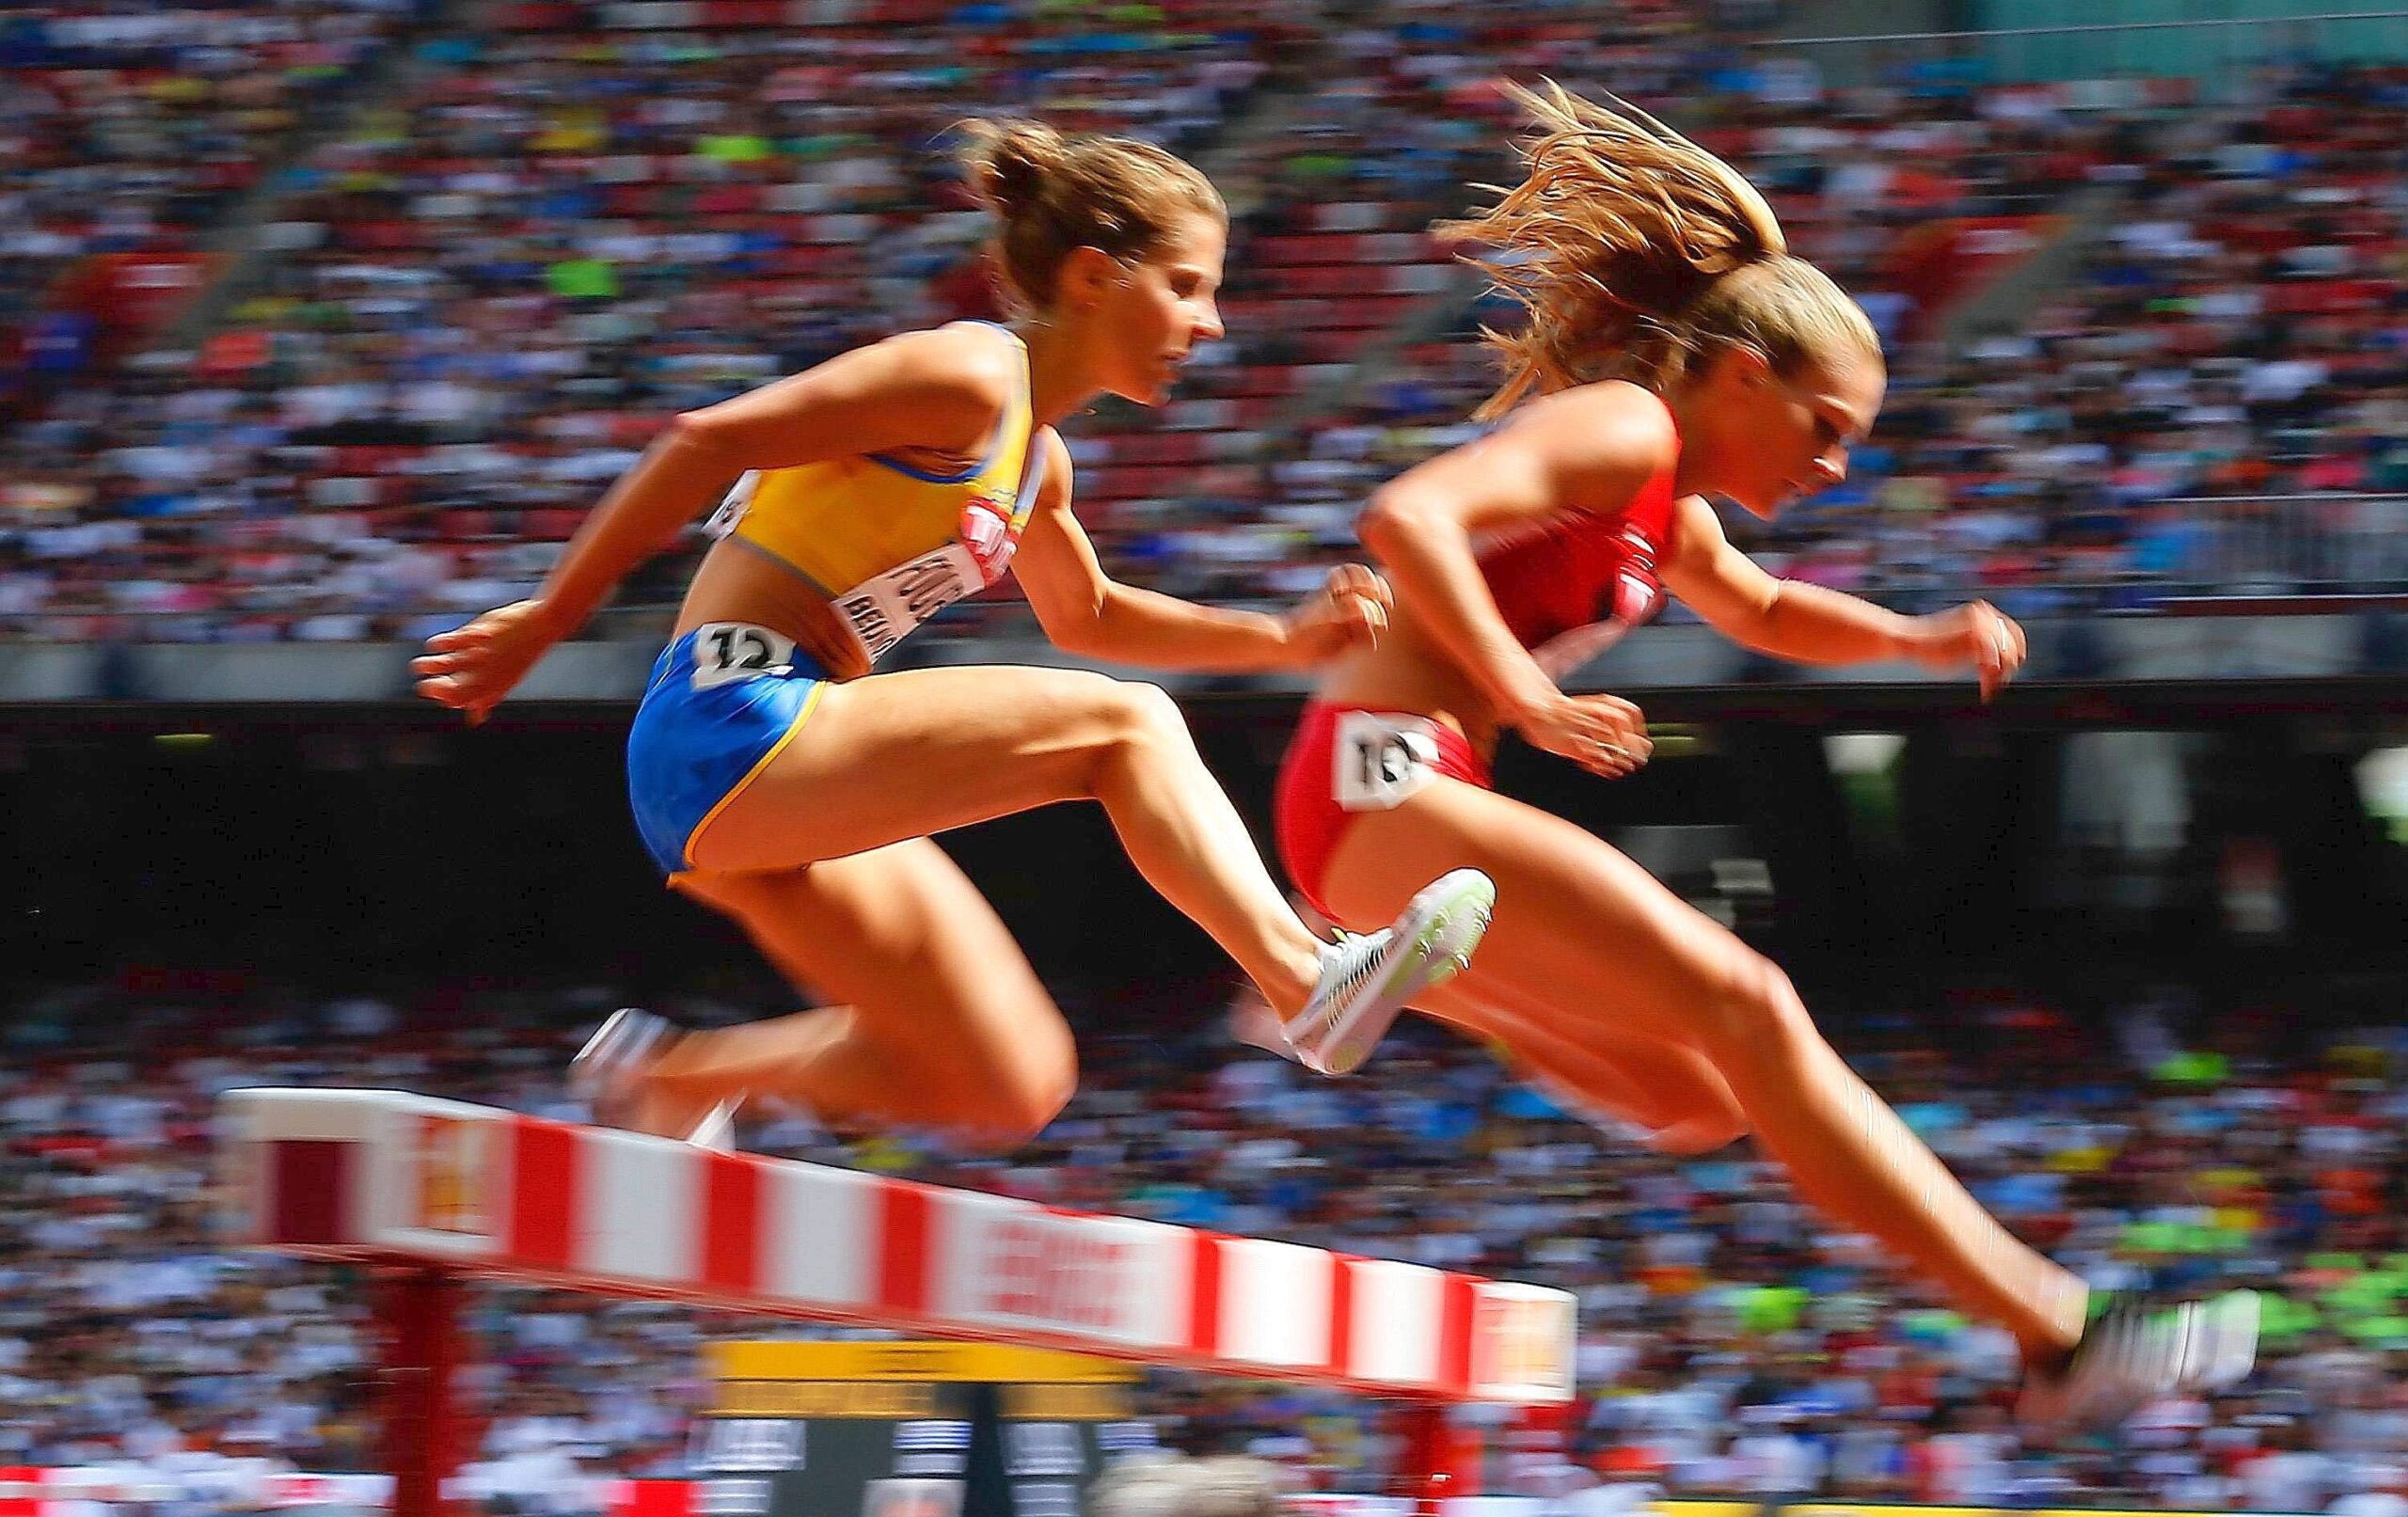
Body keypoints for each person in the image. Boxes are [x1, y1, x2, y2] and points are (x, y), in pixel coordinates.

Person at [1270, 83, 2256, 1426]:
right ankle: (2057, 1326)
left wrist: (1917, 638)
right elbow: (1407, 517)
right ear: (1744, 375)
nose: (1837, 469)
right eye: (1827, 430)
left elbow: (1765, 609)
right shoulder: (1624, 427)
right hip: (1383, 774)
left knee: (1693, 1098)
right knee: (1755, 1006)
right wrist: (1526, 694)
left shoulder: (1671, 510)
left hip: (1401, 817)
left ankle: (1369, 982)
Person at [411, 118, 1495, 1151]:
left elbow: (1090, 615)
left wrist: (1283, 639)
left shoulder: (1036, 460)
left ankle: (675, 1074)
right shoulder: (967, 374)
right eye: (1187, 287)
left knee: (1008, 1077)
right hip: (731, 722)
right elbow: (704, 440)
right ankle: (1301, 979)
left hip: (785, 777)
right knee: (1126, 730)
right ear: (1091, 275)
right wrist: (549, 618)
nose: (1211, 324)